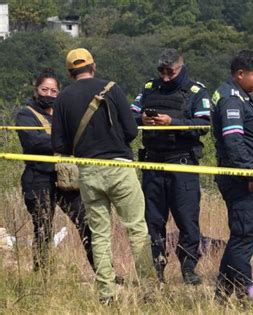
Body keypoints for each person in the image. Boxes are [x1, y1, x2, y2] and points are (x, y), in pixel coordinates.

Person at [52, 48, 154, 303]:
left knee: (99, 234)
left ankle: (106, 294)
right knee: (137, 229)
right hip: (119, 168)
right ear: (93, 66)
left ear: (69, 72)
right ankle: (149, 290)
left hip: (88, 172)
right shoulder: (111, 88)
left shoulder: (62, 98)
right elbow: (131, 130)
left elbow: (59, 144)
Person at [130, 49, 210, 285]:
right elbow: (129, 115)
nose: (165, 77)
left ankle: (188, 269)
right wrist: (142, 120)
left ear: (181, 68)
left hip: (182, 164)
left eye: (170, 72)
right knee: (153, 221)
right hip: (153, 163)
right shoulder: (148, 88)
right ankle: (157, 270)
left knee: (187, 219)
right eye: (161, 72)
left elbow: (203, 124)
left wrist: (171, 122)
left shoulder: (196, 91)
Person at [16, 68, 94, 273]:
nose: (49, 95)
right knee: (43, 228)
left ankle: (104, 272)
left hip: (66, 178)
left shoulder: (63, 113)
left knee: (86, 223)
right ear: (36, 90)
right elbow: (34, 143)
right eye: (45, 90)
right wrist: (65, 141)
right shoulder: (25, 114)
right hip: (38, 178)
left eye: (53, 91)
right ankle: (43, 277)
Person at [211, 50, 253, 300]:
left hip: (243, 174)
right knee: (244, 238)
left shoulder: (239, 95)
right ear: (240, 74)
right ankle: (248, 296)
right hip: (243, 178)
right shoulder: (232, 100)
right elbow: (234, 142)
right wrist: (251, 175)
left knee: (240, 236)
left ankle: (222, 294)